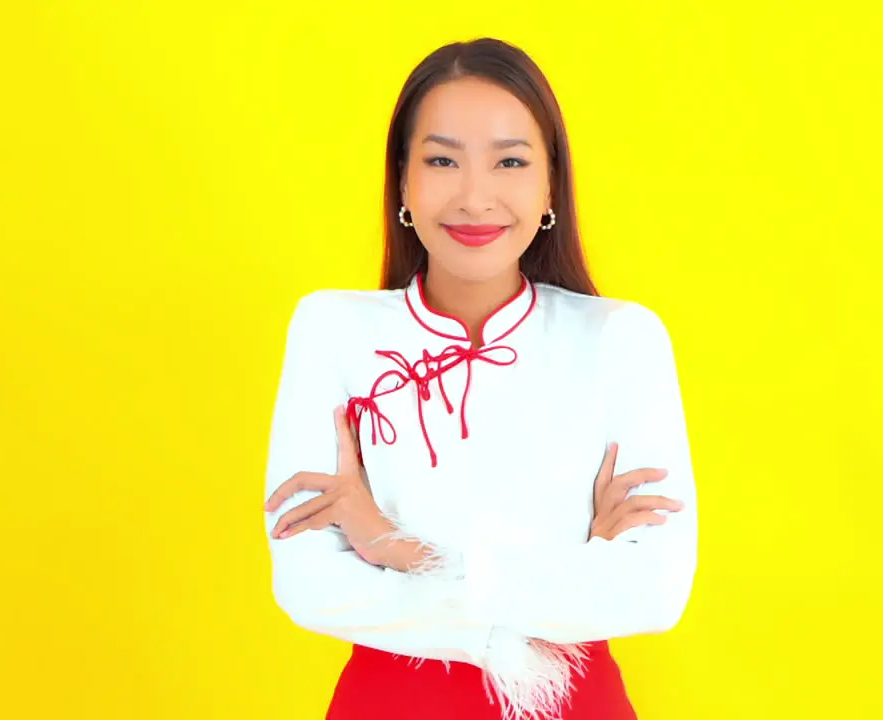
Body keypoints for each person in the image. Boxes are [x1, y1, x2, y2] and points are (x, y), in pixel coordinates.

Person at [261, 37, 699, 720]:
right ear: (402, 180)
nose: (474, 196)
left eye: (510, 162)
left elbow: (655, 594)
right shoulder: (332, 330)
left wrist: (392, 547)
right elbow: (309, 586)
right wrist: (575, 570)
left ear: (550, 183)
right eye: (441, 160)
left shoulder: (620, 339)